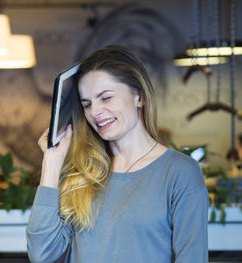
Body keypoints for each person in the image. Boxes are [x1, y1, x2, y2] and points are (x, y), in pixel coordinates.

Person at [26, 45, 208, 263]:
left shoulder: (180, 172)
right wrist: (52, 162)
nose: (95, 112)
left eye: (106, 98)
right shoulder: (82, 174)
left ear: (138, 96)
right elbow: (41, 254)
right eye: (87, 104)